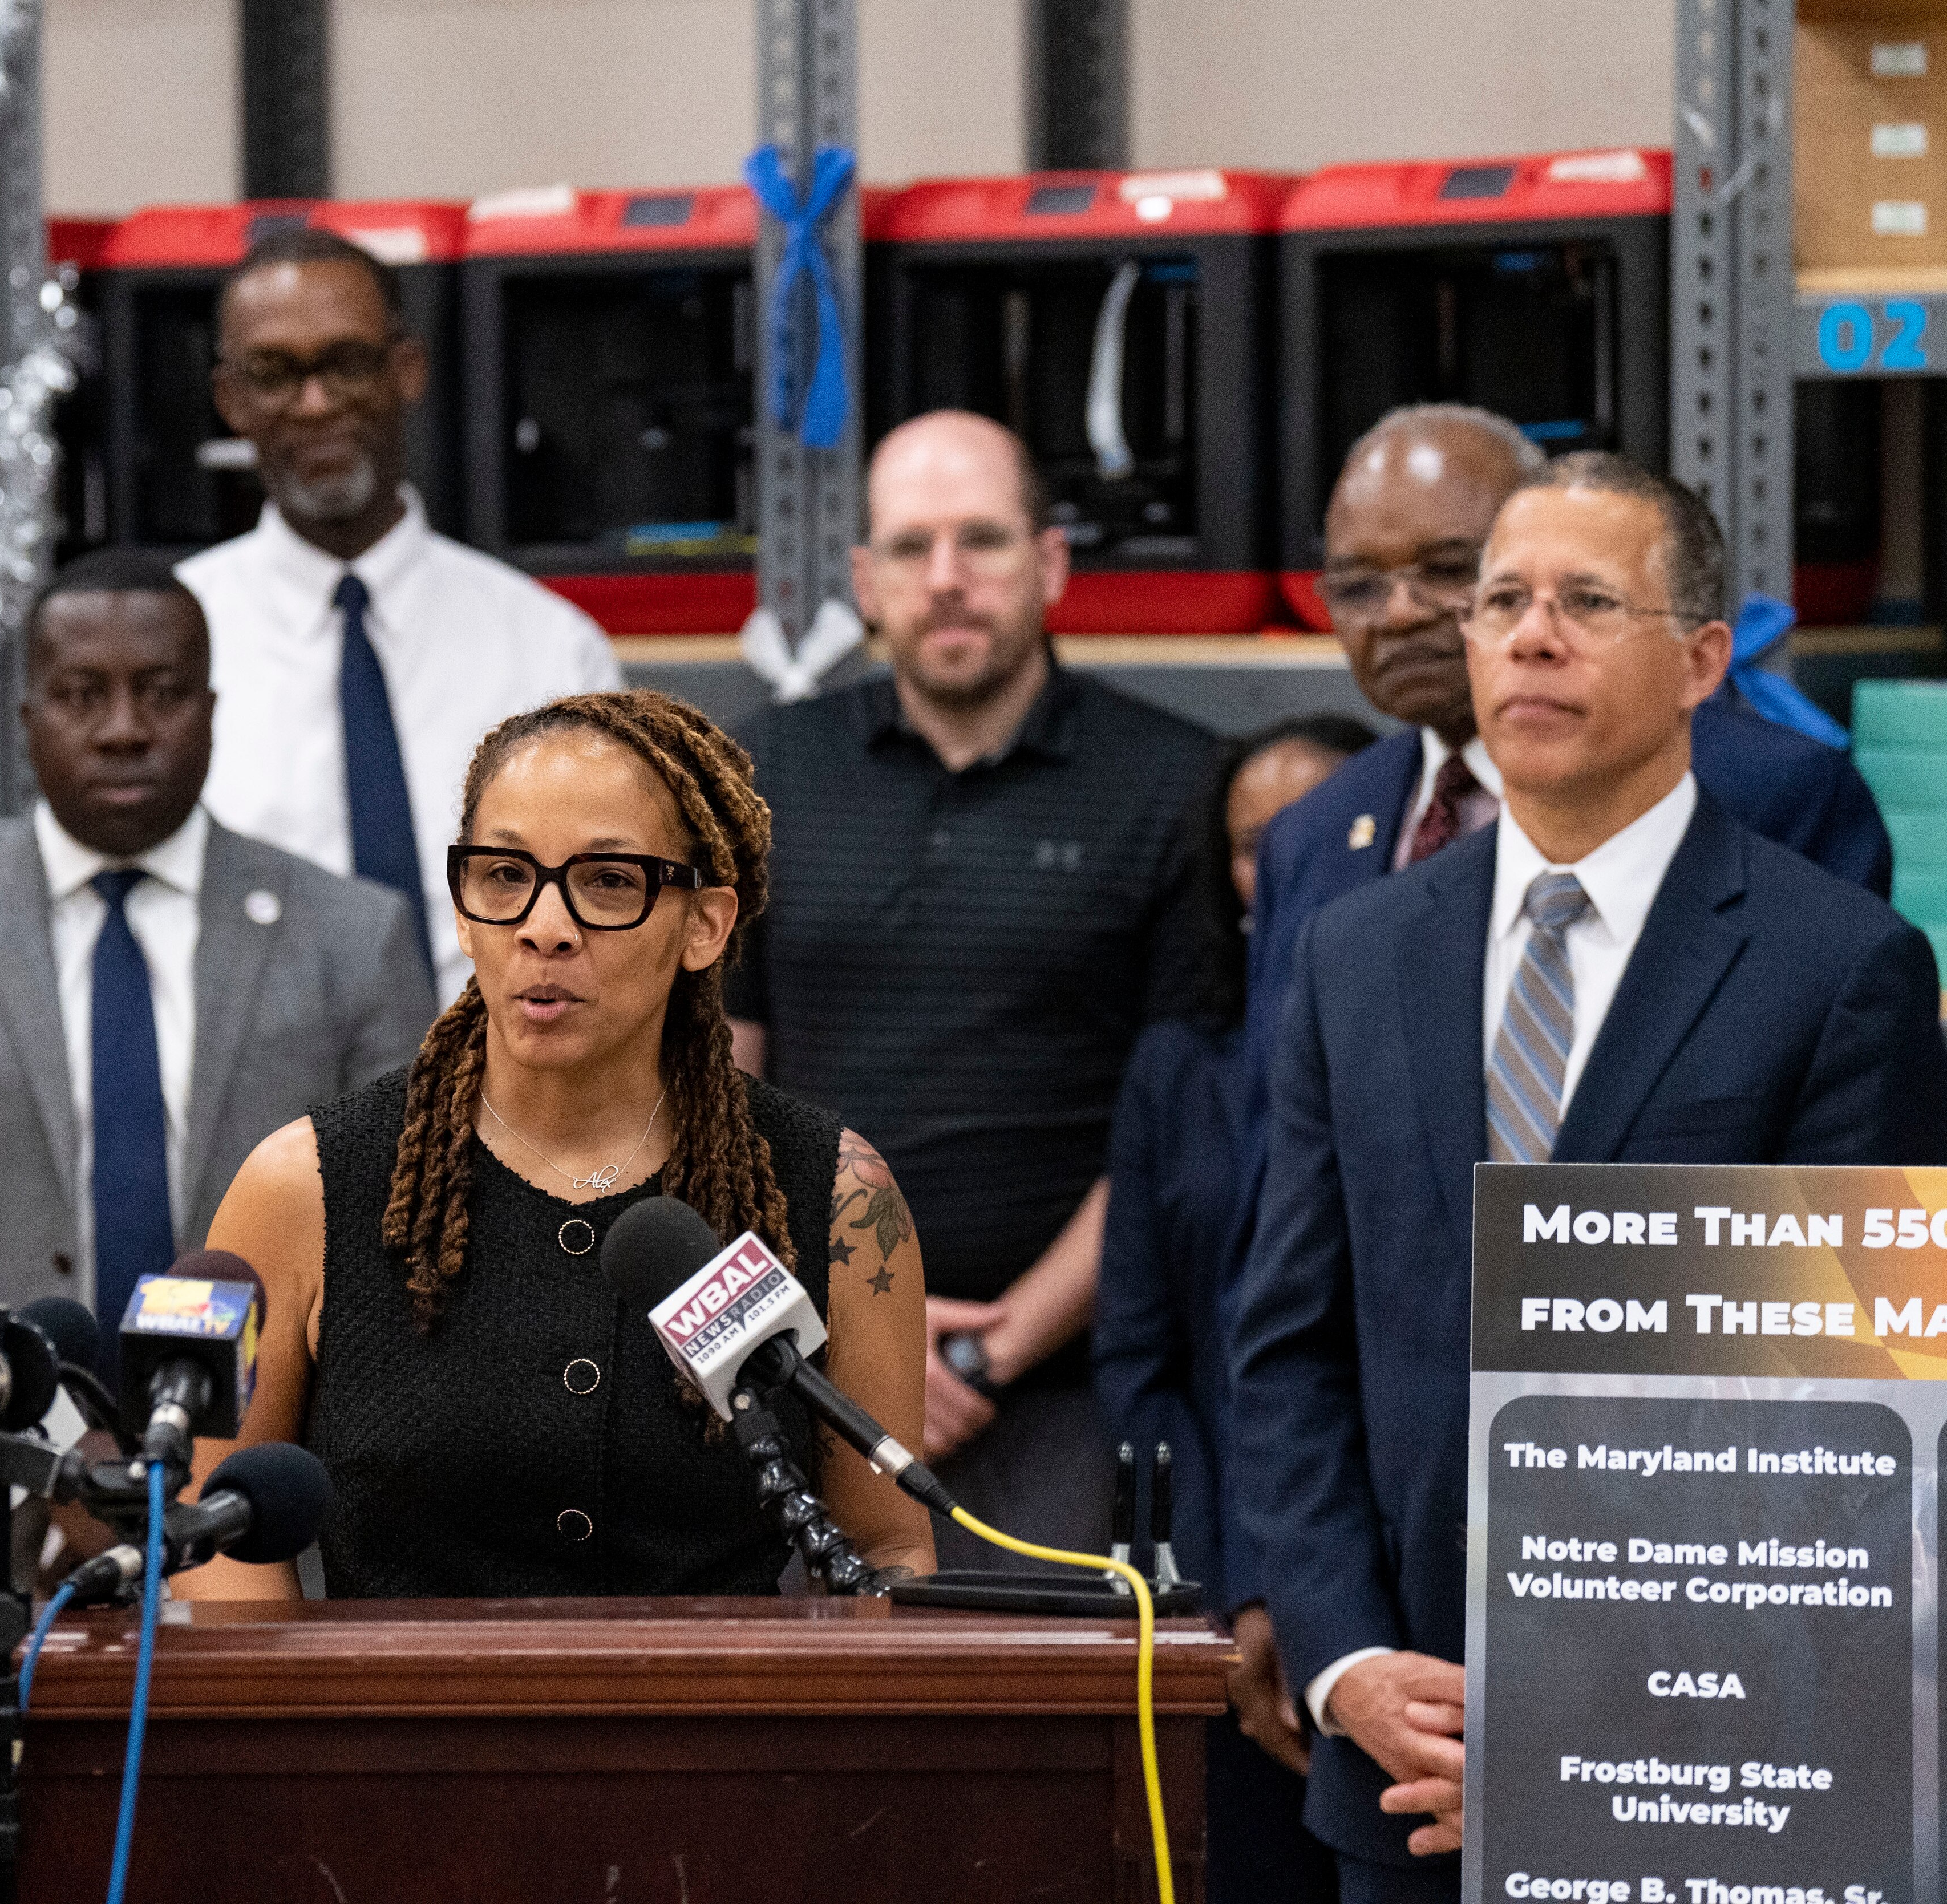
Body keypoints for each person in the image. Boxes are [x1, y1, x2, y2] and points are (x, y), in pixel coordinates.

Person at [1230, 453, 1947, 1903]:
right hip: (1408, 1757)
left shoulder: (1840, 967)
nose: (1530, 637)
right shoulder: (1353, 954)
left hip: (1708, 1766)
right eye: (1501, 600)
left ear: (1701, 660)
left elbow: (1852, 1426)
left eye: (1587, 601)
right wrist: (1347, 1660)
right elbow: (1289, 1348)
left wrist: (1580, 1731)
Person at [191, 688, 936, 1598]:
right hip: (389, 1696)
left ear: (705, 924)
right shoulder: (301, 1186)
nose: (545, 927)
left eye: (609, 881)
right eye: (505, 875)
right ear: (462, 909)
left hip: (716, 1696)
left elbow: (884, 1547)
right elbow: (217, 1540)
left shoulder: (837, 1194)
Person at [726, 410, 1219, 1563]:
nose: (946, 578)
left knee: (1056, 1676)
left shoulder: (1178, 783)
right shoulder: (762, 774)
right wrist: (841, 1331)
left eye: (982, 541)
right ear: (865, 582)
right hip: (802, 1369)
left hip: (1064, 1385)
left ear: (1050, 563)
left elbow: (1181, 1128)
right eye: (911, 547)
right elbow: (713, 1084)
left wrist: (975, 1356)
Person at [0, 550, 435, 1371]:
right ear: (27, 720)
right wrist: (28, 1422)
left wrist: (248, 1424)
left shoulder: (355, 938)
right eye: (81, 695)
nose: (124, 729)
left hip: (276, 1437)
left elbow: (406, 1237)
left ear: (210, 711)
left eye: (162, 693)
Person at [1248, 404, 1893, 1100]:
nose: (1399, 613)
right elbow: (1274, 1135)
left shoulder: (1773, 794)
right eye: (1357, 585)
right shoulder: (1308, 833)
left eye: (1448, 569)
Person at [179, 225, 622, 1002]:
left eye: (347, 363)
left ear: (407, 369)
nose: (315, 403)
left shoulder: (550, 649)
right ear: (230, 400)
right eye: (274, 373)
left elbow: (609, 910)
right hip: (256, 1072)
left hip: (503, 1068)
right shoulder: (173, 649)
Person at [1093, 714, 1373, 1904]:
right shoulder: (1176, 1067)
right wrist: (1231, 1588)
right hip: (1225, 1603)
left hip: (1414, 1601)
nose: (1289, 860)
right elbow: (1139, 1356)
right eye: (1257, 843)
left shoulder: (1451, 1048)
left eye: (1321, 827)